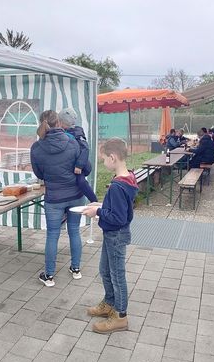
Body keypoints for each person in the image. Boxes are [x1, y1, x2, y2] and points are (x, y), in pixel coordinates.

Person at [82, 138, 138, 334]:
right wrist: (100, 206)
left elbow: (118, 217)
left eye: (104, 158)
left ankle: (120, 316)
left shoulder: (117, 186)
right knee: (105, 270)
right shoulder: (127, 177)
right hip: (112, 234)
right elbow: (116, 208)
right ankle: (109, 303)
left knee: (116, 275)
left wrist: (96, 213)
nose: (103, 162)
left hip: (116, 235)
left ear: (113, 158)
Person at [31, 110, 84, 287]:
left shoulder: (37, 148)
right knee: (74, 231)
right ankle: (76, 269)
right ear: (59, 122)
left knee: (52, 235)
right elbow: (81, 165)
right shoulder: (73, 142)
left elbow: (39, 173)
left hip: (54, 197)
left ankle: (49, 275)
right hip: (76, 195)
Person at [58, 108, 98, 203]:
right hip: (70, 164)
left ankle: (94, 201)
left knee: (81, 182)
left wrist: (79, 165)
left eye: (60, 121)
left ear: (63, 122)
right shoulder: (63, 132)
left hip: (79, 166)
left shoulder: (77, 133)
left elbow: (85, 149)